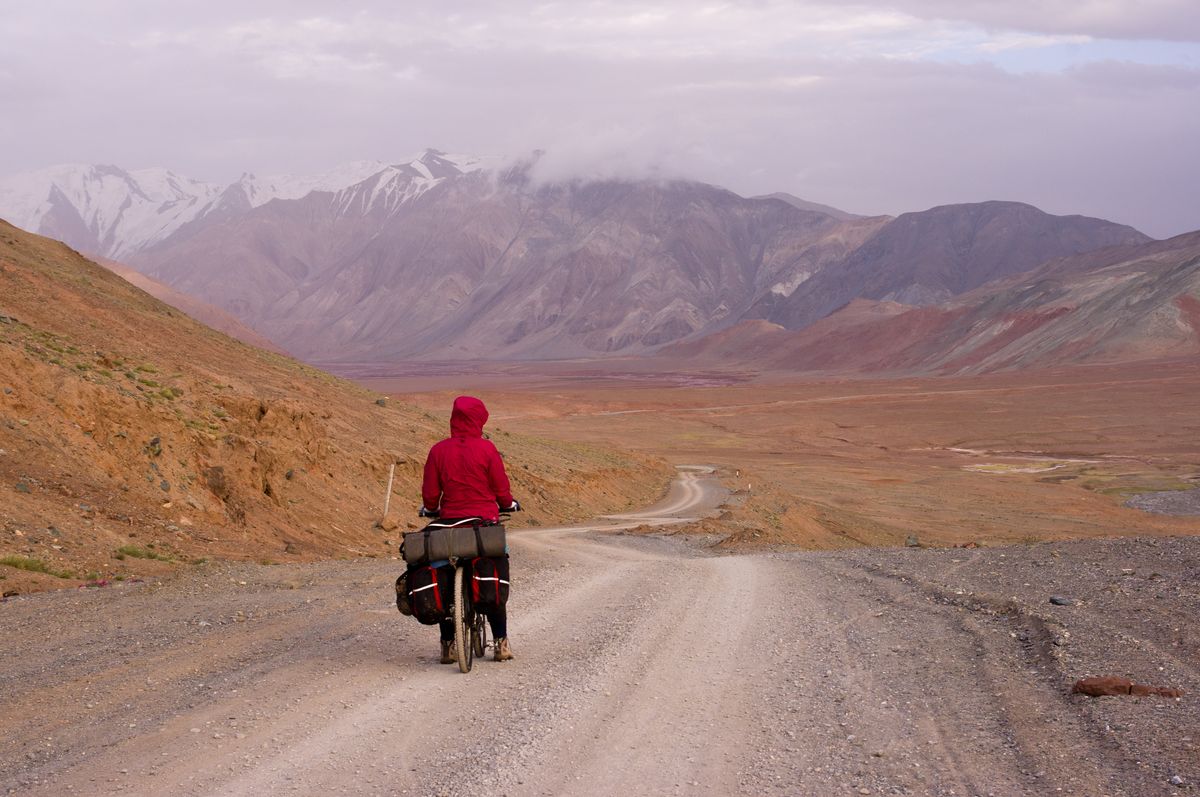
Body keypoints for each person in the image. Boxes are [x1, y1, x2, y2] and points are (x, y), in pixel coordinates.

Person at [421, 395, 519, 663]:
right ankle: (501, 643)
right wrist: (508, 504)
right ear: (479, 419)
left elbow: (430, 494)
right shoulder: (487, 449)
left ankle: (449, 645)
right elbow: (501, 490)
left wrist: (430, 508)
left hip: (449, 523)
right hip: (483, 523)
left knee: (441, 572)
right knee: (496, 568)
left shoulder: (438, 450)